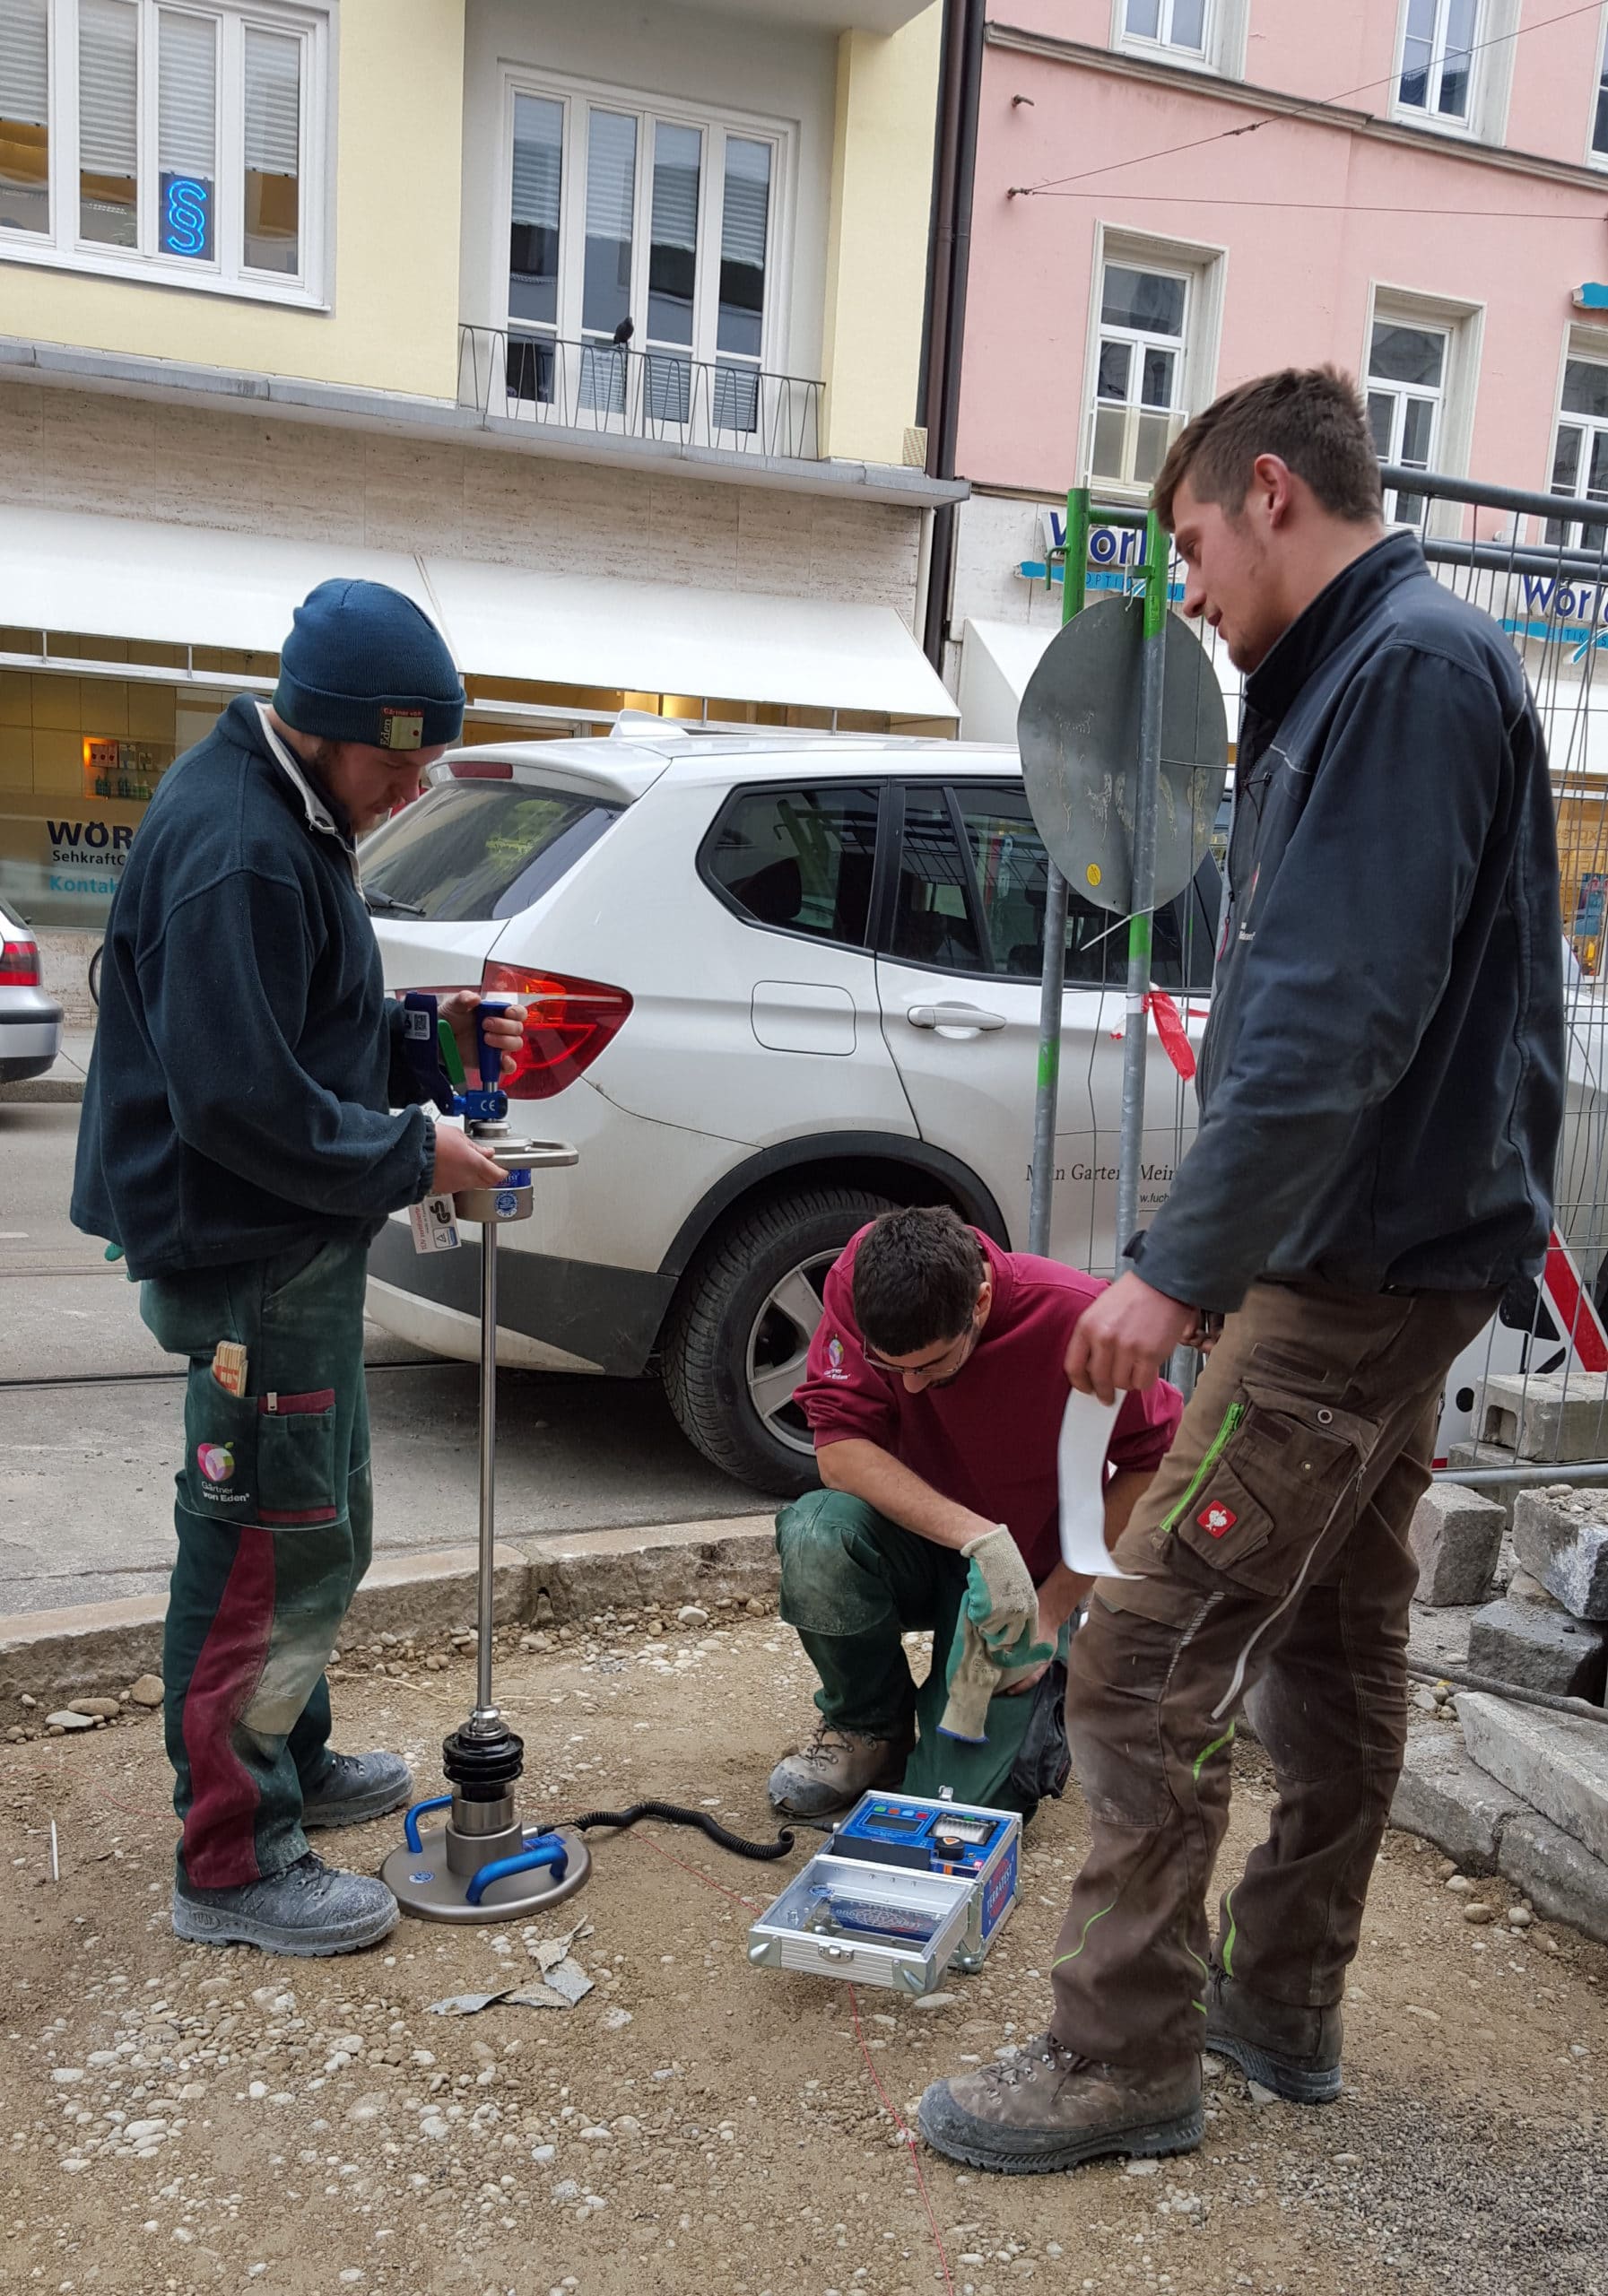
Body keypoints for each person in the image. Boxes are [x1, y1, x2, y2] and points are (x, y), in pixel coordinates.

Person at [917, 367, 1564, 2174]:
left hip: (1344, 1263)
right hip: (1394, 1249)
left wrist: (1176, 1267)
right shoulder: (1371, 674)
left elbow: (1327, 1010)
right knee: (1341, 1640)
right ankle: (1273, 2006)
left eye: (1189, 545)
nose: (1183, 594)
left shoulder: (1399, 672)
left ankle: (1123, 2053)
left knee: (1134, 1659)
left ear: (1265, 492)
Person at [71, 578, 523, 1958]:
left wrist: (412, 1039)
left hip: (285, 1247)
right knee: (264, 1549)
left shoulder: (292, 816)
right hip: (249, 1251)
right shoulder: (242, 846)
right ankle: (231, 1855)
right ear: (326, 730)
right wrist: (410, 1158)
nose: (412, 785)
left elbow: (286, 1021)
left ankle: (293, 1757)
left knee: (318, 1527)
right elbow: (239, 1102)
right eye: (398, 762)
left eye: (426, 759)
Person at [768, 1206, 1181, 1817]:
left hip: (1023, 1589)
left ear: (980, 1303)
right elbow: (840, 1453)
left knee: (954, 1811)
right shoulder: (859, 1280)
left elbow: (1157, 1465)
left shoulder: (1075, 1318)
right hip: (917, 1546)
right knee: (816, 1536)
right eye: (890, 1366)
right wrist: (981, 1539)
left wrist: (1053, 1607)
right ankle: (868, 1730)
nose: (908, 1387)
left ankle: (988, 1724)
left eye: (930, 1365)